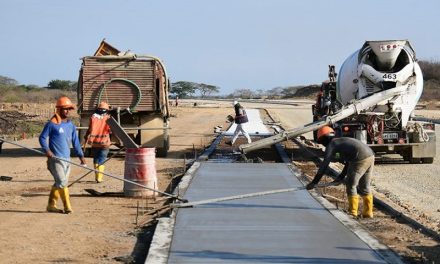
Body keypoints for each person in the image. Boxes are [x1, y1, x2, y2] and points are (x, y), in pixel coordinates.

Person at [306, 126, 375, 218]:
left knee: (351, 185)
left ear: (324, 139)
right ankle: (368, 213)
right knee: (364, 186)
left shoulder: (332, 145)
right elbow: (348, 162)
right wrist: (341, 177)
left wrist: (314, 182)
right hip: (370, 155)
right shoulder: (341, 142)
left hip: (359, 158)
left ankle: (353, 212)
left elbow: (324, 165)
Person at [39, 96, 86, 214]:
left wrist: (81, 156)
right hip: (55, 159)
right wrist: (48, 151)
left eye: (69, 109)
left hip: (67, 159)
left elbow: (76, 142)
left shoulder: (71, 125)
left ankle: (51, 205)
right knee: (63, 182)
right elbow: (42, 138)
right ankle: (67, 207)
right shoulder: (51, 124)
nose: (67, 111)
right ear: (58, 109)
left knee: (60, 182)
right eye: (65, 109)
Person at [84, 101, 112, 183]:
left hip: (95, 142)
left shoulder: (93, 117)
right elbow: (111, 130)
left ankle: (97, 177)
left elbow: (89, 129)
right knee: (102, 160)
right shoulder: (108, 118)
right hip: (104, 143)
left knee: (96, 159)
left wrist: (86, 136)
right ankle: (99, 178)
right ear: (106, 109)